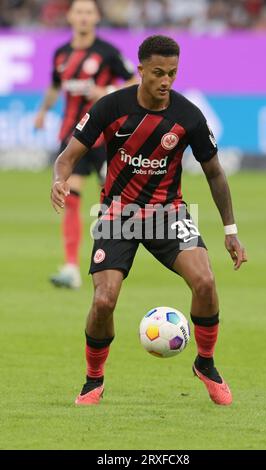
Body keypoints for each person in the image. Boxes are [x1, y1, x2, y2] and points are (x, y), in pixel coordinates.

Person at [51, 35, 247, 406]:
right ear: (140, 70)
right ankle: (94, 380)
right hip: (117, 215)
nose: (166, 81)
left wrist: (230, 231)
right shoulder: (111, 107)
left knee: (205, 281)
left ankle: (205, 363)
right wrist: (59, 181)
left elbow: (215, 174)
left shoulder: (188, 115)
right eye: (158, 72)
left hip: (167, 213)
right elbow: (67, 156)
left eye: (172, 73)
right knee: (104, 301)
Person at [35, 0, 138, 288]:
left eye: (88, 12)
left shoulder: (107, 53)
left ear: (96, 17)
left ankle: (112, 263)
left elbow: (135, 82)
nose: (82, 17)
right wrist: (43, 111)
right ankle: (71, 267)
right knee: (71, 199)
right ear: (69, 16)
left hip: (106, 138)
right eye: (78, 12)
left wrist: (105, 90)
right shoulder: (61, 54)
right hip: (73, 138)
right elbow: (55, 85)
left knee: (111, 203)